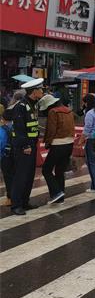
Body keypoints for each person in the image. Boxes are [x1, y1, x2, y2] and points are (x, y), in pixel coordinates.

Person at [9, 78, 44, 215]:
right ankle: (16, 205)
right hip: (24, 147)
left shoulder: (33, 104)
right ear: (34, 91)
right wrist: (25, 146)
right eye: (40, 89)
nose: (42, 91)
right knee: (21, 176)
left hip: (32, 145)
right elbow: (19, 128)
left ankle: (25, 201)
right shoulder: (21, 106)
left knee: (29, 175)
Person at [40, 94, 75, 204]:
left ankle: (56, 193)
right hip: (69, 143)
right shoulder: (68, 110)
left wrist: (47, 143)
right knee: (60, 171)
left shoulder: (53, 112)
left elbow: (51, 130)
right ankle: (60, 198)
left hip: (57, 144)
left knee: (46, 169)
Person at [81, 94, 95, 193]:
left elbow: (87, 128)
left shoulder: (90, 113)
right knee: (93, 160)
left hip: (91, 139)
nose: (84, 105)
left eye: (85, 103)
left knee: (90, 161)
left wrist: (81, 138)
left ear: (88, 102)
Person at [0, 105, 14, 207]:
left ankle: (10, 198)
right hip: (16, 156)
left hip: (5, 157)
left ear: (3, 119)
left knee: (8, 177)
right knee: (16, 176)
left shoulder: (2, 130)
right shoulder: (16, 127)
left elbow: (1, 144)